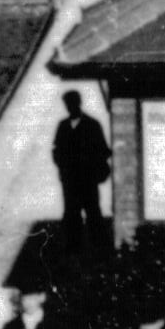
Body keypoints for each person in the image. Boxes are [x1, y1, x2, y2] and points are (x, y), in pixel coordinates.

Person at [51, 90, 112, 247]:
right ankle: (74, 251)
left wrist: (91, 166)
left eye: (72, 103)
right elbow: (56, 150)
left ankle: (100, 250)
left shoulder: (92, 125)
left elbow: (104, 150)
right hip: (70, 181)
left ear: (78, 103)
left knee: (93, 214)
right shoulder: (63, 126)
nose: (69, 107)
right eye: (67, 104)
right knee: (71, 216)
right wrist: (63, 166)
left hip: (88, 180)